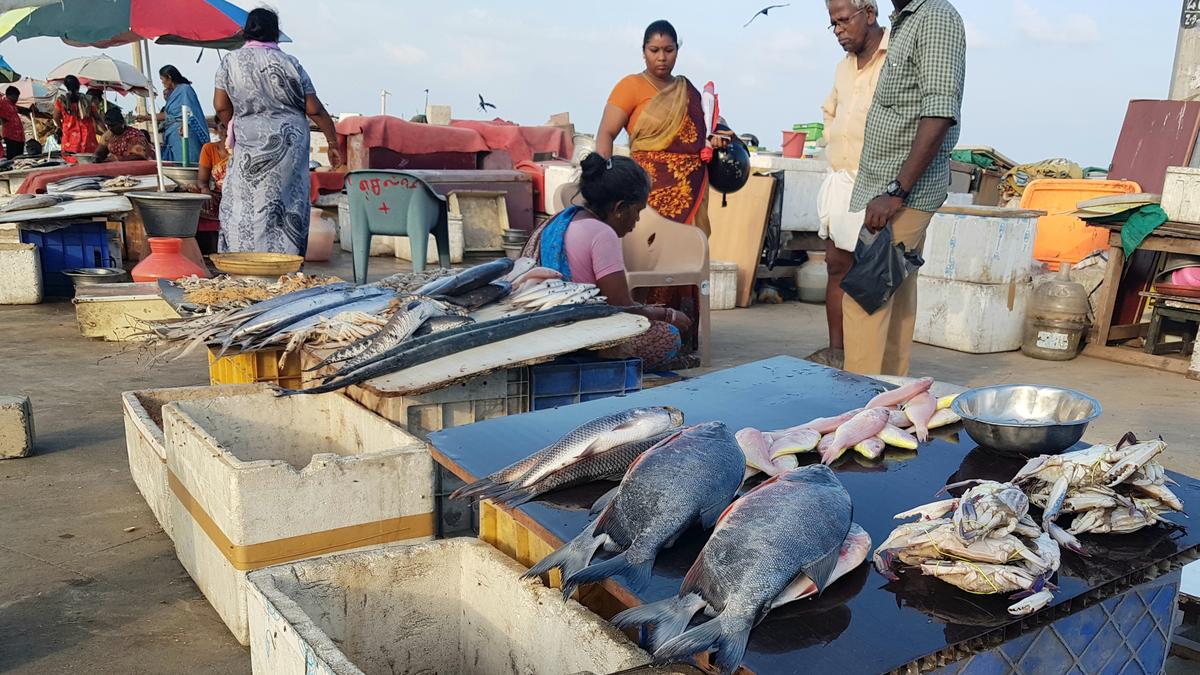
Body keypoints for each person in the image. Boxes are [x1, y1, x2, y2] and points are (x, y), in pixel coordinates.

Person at [844, 0, 966, 376]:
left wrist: (897, 190)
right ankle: (888, 401)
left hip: (901, 195)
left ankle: (856, 406)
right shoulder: (907, 20)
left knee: (866, 298)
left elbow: (940, 111)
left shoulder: (936, 17)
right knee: (892, 301)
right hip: (887, 189)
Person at [522, 153, 693, 369]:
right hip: (575, 335)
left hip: (537, 330)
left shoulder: (564, 219)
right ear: (620, 208)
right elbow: (620, 308)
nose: (637, 220)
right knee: (668, 336)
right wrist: (666, 314)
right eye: (637, 211)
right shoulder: (603, 234)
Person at [212, 8, 341, 255]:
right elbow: (313, 109)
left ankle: (243, 259)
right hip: (290, 144)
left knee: (245, 204)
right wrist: (332, 142)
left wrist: (237, 122)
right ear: (276, 32)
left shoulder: (229, 62)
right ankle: (285, 265)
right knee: (287, 203)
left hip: (248, 142)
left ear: (246, 30)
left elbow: (220, 105)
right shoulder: (290, 63)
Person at [596, 19, 732, 235]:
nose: (662, 57)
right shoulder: (630, 86)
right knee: (644, 251)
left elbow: (708, 127)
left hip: (690, 190)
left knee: (687, 257)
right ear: (643, 52)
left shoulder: (687, 90)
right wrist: (601, 177)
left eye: (669, 50)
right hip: (645, 191)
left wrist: (717, 137)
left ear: (677, 50)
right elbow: (606, 132)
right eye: (654, 50)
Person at [809, 0, 888, 369]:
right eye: (833, 24)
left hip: (878, 182)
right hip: (841, 179)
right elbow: (830, 110)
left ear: (869, 14)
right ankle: (836, 350)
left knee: (871, 275)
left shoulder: (895, 56)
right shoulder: (843, 68)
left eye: (843, 22)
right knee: (836, 266)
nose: (839, 31)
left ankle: (866, 358)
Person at [149, 65, 210, 164]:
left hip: (184, 131)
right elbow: (167, 115)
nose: (162, 83)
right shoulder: (172, 94)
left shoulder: (185, 89)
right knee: (177, 161)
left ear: (169, 77)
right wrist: (145, 117)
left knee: (189, 160)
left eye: (162, 79)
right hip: (172, 134)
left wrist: (184, 125)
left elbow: (191, 109)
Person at [193, 118, 230, 253]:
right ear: (217, 129)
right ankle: (209, 251)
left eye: (230, 127)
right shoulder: (209, 149)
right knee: (200, 204)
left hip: (241, 196)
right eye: (223, 127)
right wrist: (205, 190)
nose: (226, 131)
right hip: (220, 195)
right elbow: (202, 180)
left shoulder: (243, 149)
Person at [53, 75, 104, 154]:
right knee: (89, 160)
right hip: (87, 136)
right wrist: (106, 132)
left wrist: (61, 127)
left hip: (69, 136)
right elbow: (97, 118)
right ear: (78, 86)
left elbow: (55, 117)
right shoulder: (88, 100)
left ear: (66, 86)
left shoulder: (61, 101)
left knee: (71, 160)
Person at [0, 86, 25, 159]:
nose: (17, 99)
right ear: (11, 95)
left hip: (19, 137)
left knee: (19, 159)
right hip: (11, 136)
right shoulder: (3, 103)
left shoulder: (13, 105)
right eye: (16, 96)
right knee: (12, 159)